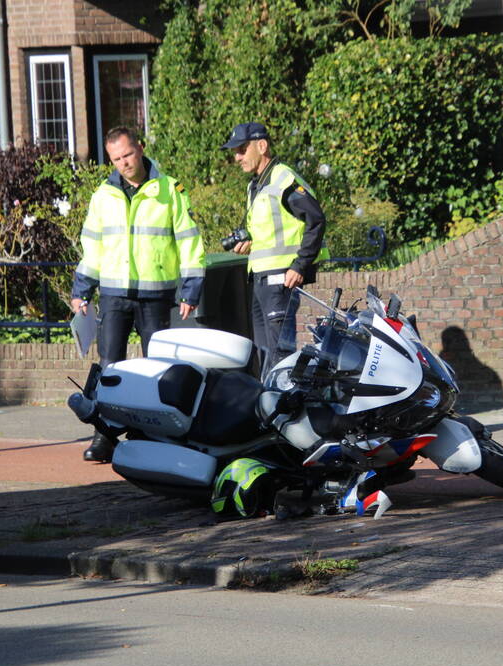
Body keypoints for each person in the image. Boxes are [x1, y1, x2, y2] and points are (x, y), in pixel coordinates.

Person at [71, 126, 205, 462]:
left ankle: (153, 435)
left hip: (156, 294)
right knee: (109, 366)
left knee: (156, 368)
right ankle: (104, 436)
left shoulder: (170, 190)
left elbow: (189, 241)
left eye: (128, 155)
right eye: (116, 159)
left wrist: (191, 290)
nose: (124, 163)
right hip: (114, 293)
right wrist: (82, 290)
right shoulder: (103, 195)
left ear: (140, 148)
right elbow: (92, 247)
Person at [220, 121, 328, 370]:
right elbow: (272, 231)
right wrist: (249, 242)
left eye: (242, 149)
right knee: (264, 354)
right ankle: (268, 392)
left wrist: (300, 265)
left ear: (262, 146)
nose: (237, 157)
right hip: (260, 279)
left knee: (280, 354)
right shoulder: (256, 185)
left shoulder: (284, 179)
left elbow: (316, 220)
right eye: (235, 152)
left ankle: (282, 394)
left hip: (281, 280)